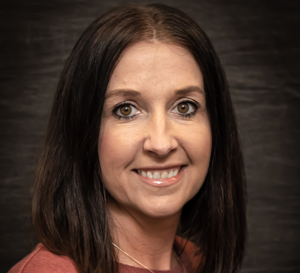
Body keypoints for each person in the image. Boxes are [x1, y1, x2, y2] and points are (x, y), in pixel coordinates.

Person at [8, 3, 246, 273]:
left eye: (184, 107)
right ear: (82, 132)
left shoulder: (196, 260)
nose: (161, 143)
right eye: (126, 110)